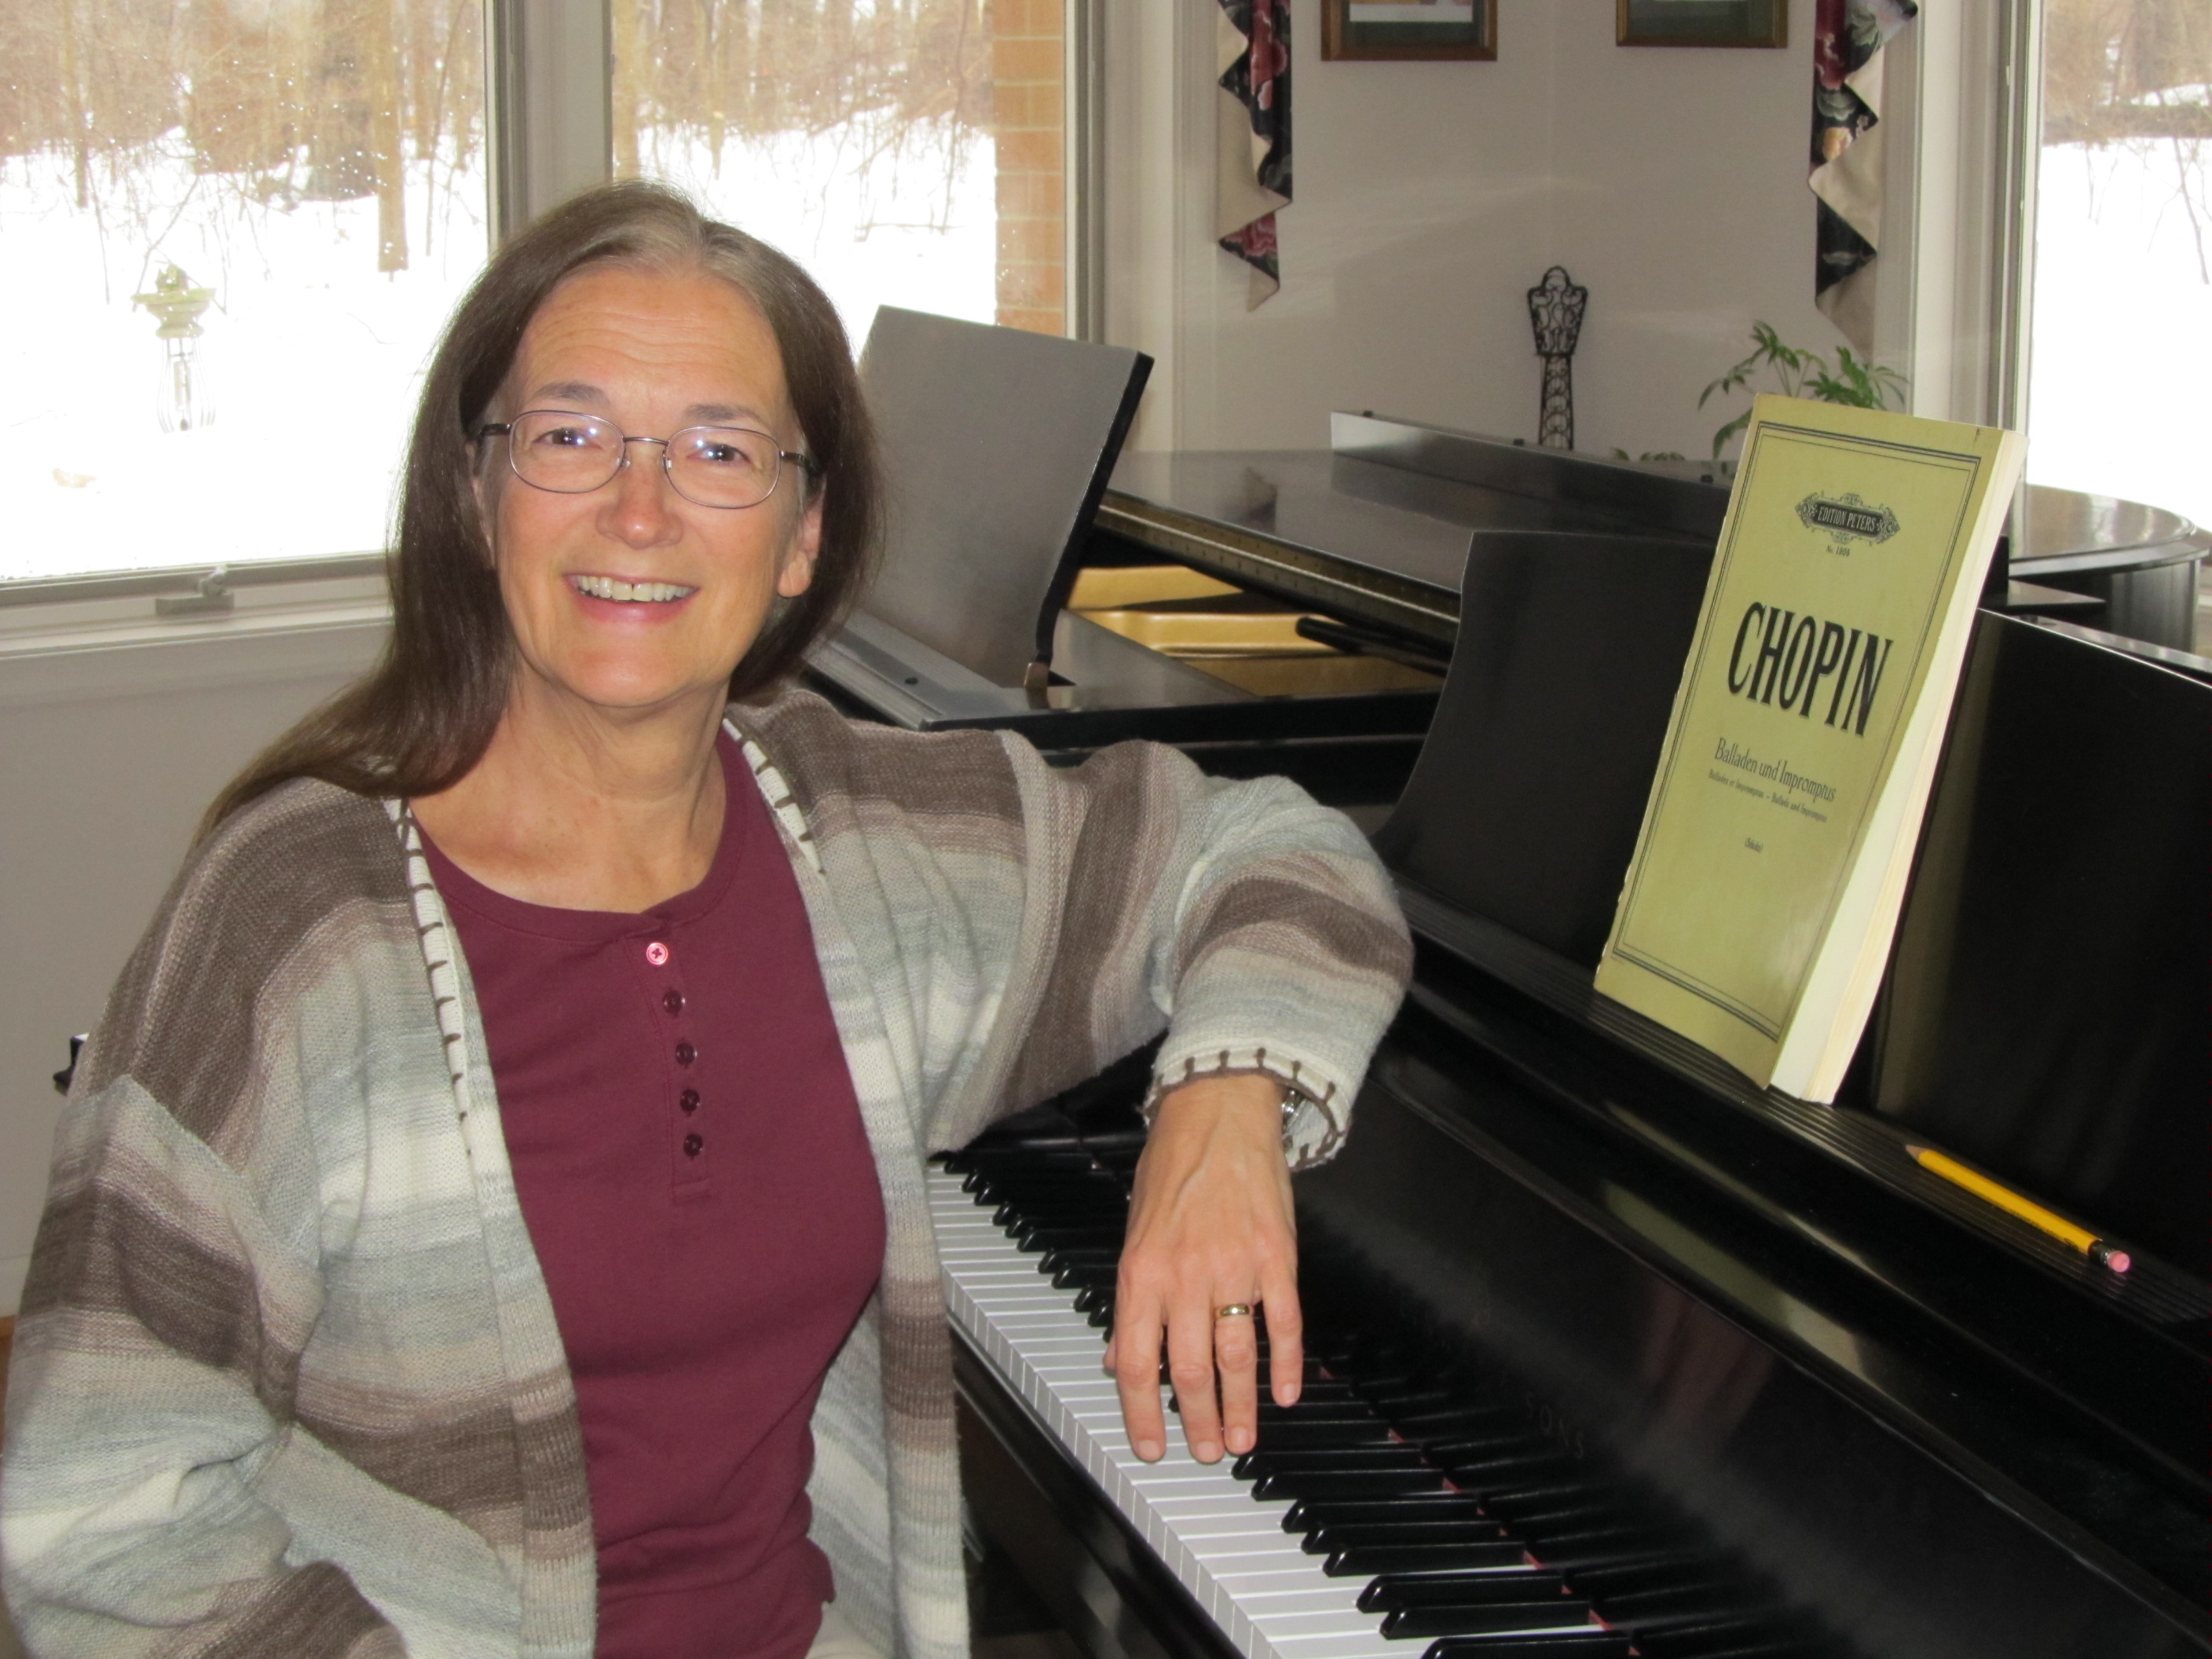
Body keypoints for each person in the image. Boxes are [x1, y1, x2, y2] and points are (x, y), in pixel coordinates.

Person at [0, 182, 1409, 1659]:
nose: (640, 507)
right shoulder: (294, 925)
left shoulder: (857, 831)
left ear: (803, 539)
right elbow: (102, 1523)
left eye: (719, 451)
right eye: (571, 435)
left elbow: (1268, 846)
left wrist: (1226, 1096)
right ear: (478, 494)